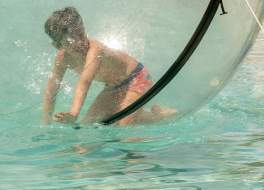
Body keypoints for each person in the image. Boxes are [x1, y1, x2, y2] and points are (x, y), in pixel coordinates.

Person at [41, 7, 174, 126]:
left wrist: (74, 113)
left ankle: (155, 117)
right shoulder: (62, 59)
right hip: (113, 87)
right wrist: (45, 123)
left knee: (123, 125)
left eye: (81, 34)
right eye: (71, 41)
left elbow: (85, 81)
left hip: (136, 78)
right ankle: (154, 114)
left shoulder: (95, 50)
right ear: (59, 46)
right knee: (90, 124)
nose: (80, 42)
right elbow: (51, 90)